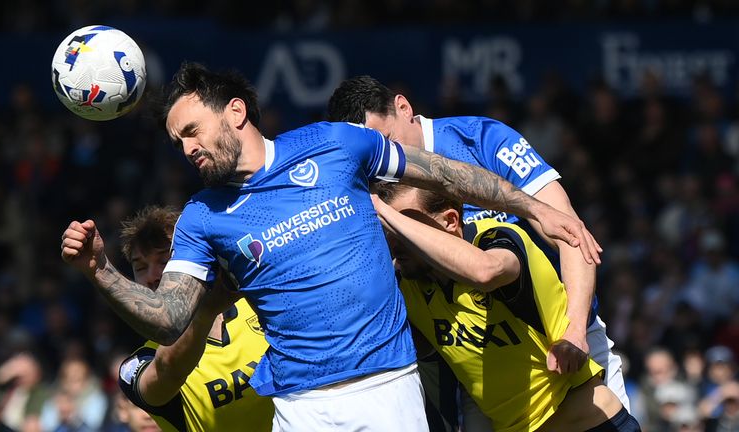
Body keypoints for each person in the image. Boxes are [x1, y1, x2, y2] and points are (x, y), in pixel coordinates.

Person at [60, 62, 599, 431]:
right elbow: (169, 318)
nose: (188, 148)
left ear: (237, 112)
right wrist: (100, 270)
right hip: (302, 407)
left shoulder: (335, 145)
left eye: (194, 130)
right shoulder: (203, 216)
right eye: (179, 141)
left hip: (391, 386)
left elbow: (447, 174)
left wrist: (535, 208)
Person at [327, 75, 629, 410]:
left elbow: (569, 234)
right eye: (370, 153)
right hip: (478, 367)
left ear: (404, 107)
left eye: (386, 141)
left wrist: (574, 331)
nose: (383, 159)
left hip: (563, 340)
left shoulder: (480, 140)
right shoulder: (368, 181)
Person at [373, 182, 639, 431]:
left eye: (407, 225)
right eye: (389, 229)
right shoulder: (407, 281)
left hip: (592, 425)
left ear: (451, 221)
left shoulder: (496, 239)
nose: (395, 237)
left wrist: (385, 211)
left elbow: (486, 271)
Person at [114, 206, 274, 431]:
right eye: (140, 267)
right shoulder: (142, 363)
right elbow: (168, 372)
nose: (151, 277)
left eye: (164, 260)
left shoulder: (258, 305)